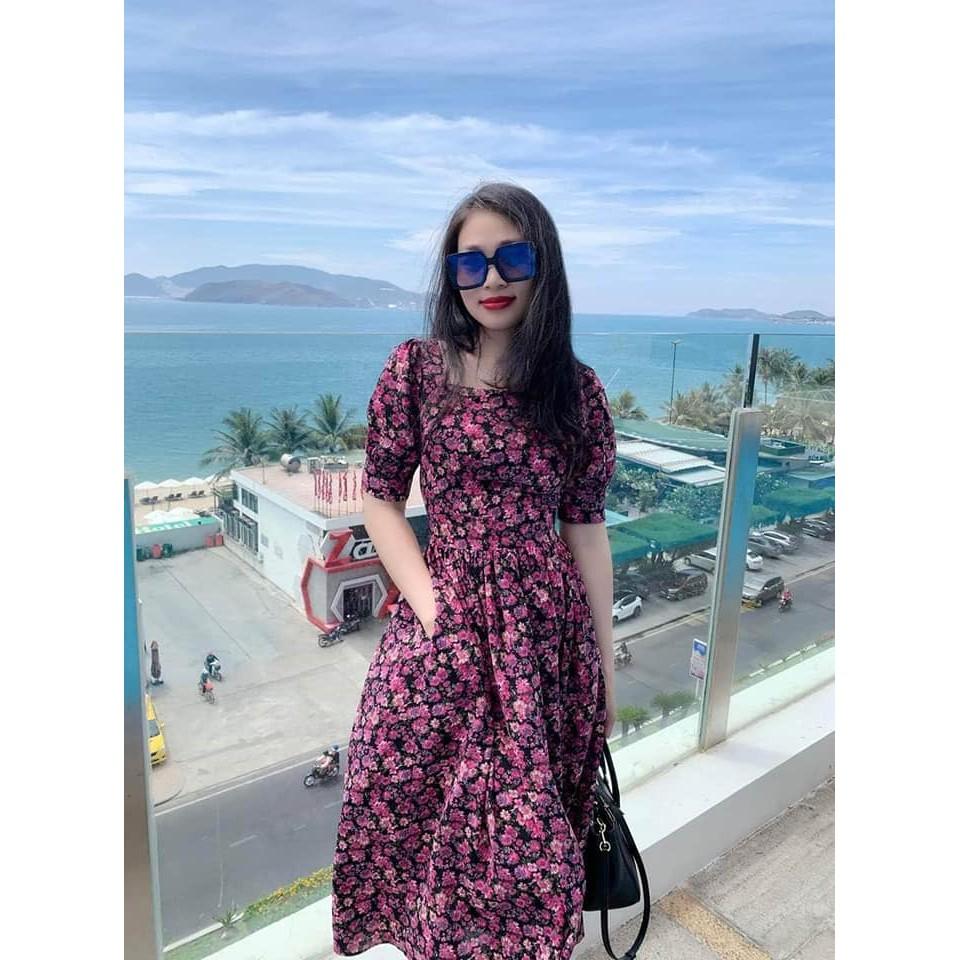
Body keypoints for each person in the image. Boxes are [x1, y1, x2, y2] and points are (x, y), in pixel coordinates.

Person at [331, 183, 618, 960]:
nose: (491, 280)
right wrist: (434, 609)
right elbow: (380, 500)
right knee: (410, 805)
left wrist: (603, 667)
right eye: (470, 264)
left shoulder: (578, 392)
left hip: (545, 643)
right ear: (452, 275)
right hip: (443, 623)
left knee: (527, 847)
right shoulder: (416, 371)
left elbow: (585, 530)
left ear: (543, 265)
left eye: (511, 258)